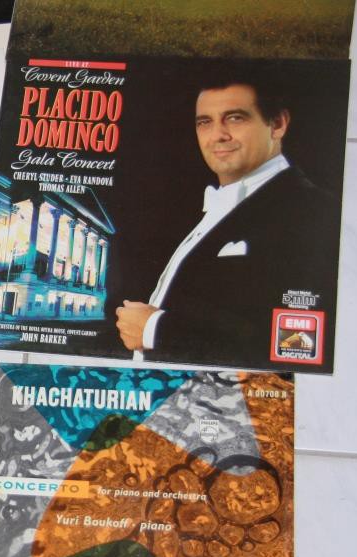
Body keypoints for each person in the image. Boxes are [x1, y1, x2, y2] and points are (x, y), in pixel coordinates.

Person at [114, 74, 338, 367]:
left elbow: (301, 344)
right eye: (205, 122)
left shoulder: (313, 209)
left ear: (278, 124)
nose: (217, 135)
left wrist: (155, 329)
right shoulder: (213, 208)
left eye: (235, 118)